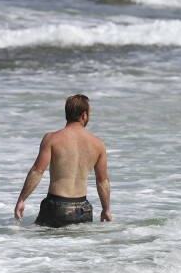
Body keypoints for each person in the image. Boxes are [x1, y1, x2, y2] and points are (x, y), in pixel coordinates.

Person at [14, 94, 111, 227]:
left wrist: (22, 199)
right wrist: (106, 210)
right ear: (84, 115)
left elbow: (37, 171)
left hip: (56, 207)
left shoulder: (52, 138)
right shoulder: (98, 144)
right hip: (83, 209)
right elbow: (102, 180)